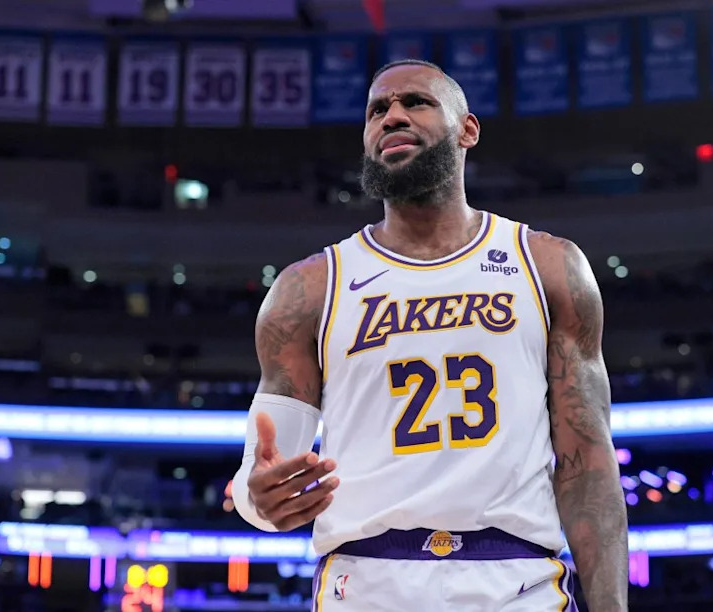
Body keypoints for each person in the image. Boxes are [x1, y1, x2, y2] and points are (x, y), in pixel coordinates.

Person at [232, 59, 628, 611]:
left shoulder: (547, 266)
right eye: (377, 110)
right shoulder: (308, 289)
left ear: (467, 129)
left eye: (415, 102)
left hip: (517, 582)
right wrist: (262, 502)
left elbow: (588, 463)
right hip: (364, 582)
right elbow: (263, 478)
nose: (391, 116)